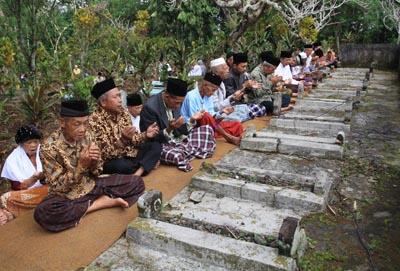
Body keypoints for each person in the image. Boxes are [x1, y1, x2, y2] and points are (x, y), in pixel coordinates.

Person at [34, 100, 145, 232]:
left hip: (92, 185)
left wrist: (95, 160)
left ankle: (84, 206)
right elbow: (58, 186)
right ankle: (100, 203)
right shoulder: (48, 148)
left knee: (137, 182)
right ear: (62, 123)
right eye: (77, 124)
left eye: (86, 123)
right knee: (43, 213)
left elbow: (97, 172)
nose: (82, 129)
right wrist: (80, 166)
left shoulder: (88, 135)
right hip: (67, 195)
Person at [89, 78, 161, 176]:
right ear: (103, 102)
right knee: (121, 166)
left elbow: (134, 139)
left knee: (155, 145)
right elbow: (105, 155)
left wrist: (146, 135)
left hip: (131, 154)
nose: (120, 100)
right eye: (115, 97)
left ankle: (138, 173)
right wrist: (122, 141)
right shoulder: (94, 121)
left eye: (119, 96)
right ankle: (145, 165)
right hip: (113, 160)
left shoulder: (123, 112)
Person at [140, 78, 216, 171]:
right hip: (161, 144)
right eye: (176, 103)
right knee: (176, 155)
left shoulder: (176, 103)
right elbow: (152, 138)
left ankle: (185, 150)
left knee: (207, 129)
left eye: (180, 103)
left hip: (177, 140)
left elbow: (178, 131)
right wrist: (169, 129)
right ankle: (186, 151)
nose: (178, 106)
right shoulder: (150, 107)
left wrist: (192, 120)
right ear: (167, 96)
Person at [181, 72, 243, 145]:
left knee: (237, 125)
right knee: (205, 115)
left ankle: (213, 135)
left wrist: (221, 112)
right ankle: (228, 137)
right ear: (204, 85)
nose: (213, 93)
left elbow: (212, 116)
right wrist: (212, 118)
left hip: (209, 126)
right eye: (213, 90)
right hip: (193, 128)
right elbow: (195, 120)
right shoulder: (191, 96)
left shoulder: (208, 96)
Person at [0, 125, 48, 220]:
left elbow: (58, 176)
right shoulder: (13, 159)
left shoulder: (46, 151)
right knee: (7, 198)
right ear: (21, 144)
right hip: (29, 194)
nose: (33, 145)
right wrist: (33, 179)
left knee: (56, 190)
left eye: (36, 141)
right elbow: (17, 187)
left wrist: (43, 178)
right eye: (29, 142)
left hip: (49, 188)